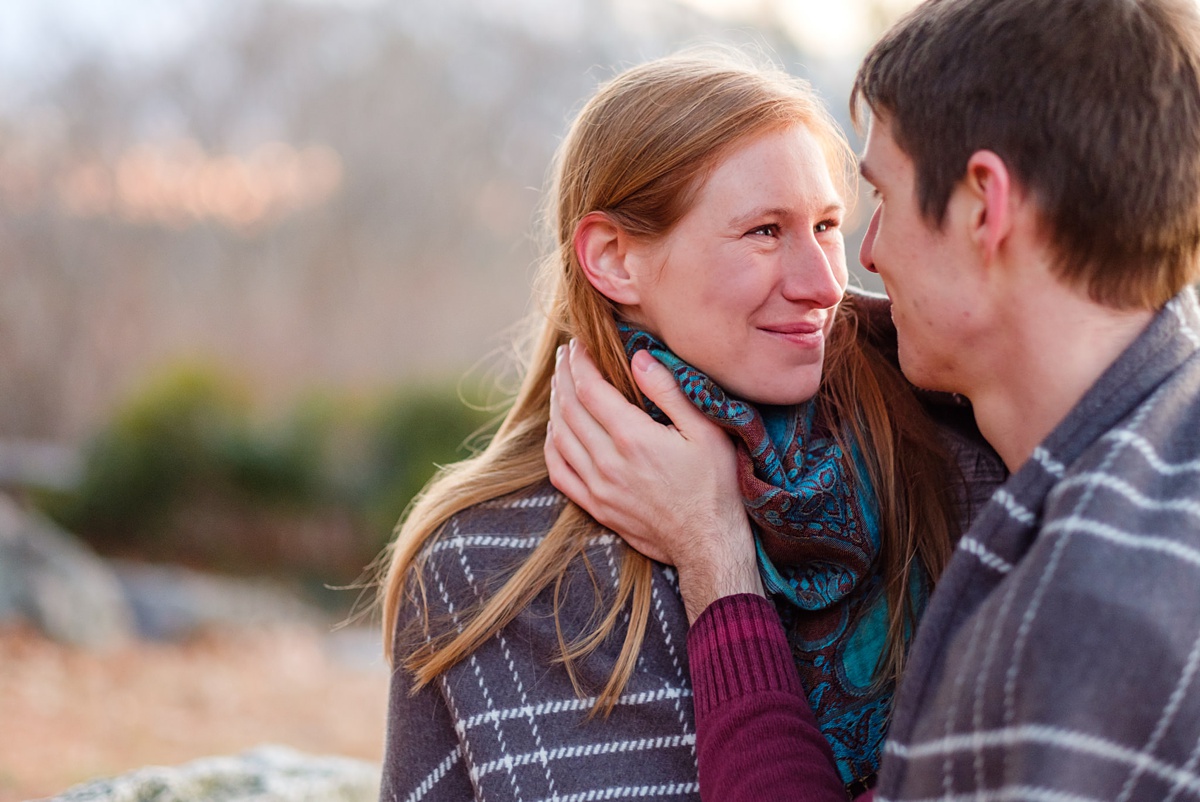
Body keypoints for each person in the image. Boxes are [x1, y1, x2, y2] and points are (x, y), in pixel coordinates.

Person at [545, 0, 1200, 799]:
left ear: (984, 208)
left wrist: (714, 556)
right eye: (764, 231)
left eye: (872, 201)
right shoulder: (1137, 481)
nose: (855, 264)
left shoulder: (1086, 616)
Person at [378, 49, 1003, 802]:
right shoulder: (494, 564)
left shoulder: (959, 456)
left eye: (828, 224)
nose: (824, 284)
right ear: (614, 259)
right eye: (765, 232)